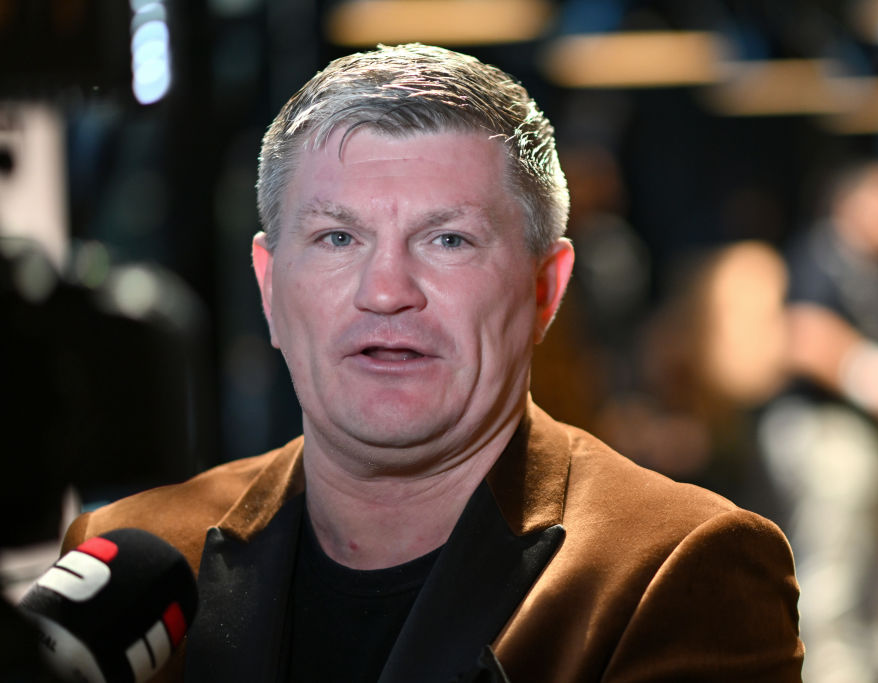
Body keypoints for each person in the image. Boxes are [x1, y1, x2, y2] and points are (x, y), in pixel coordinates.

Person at [59, 44, 803, 682]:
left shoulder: (678, 568)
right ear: (269, 286)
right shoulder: (130, 559)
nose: (386, 290)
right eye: (337, 238)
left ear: (545, 289)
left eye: (448, 239)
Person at [758, 160, 878, 682]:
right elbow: (801, 335)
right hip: (826, 431)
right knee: (834, 567)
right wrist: (873, 375)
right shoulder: (821, 253)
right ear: (853, 202)